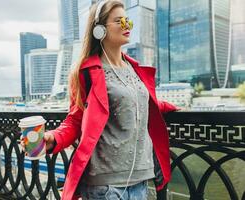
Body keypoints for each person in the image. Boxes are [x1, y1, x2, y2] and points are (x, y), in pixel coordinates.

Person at [43, 0, 179, 199]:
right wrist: (53, 138)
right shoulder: (87, 72)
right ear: (99, 30)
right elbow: (76, 119)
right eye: (118, 21)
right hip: (105, 187)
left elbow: (137, 104)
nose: (126, 26)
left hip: (140, 181)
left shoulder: (135, 69)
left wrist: (166, 106)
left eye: (127, 21)